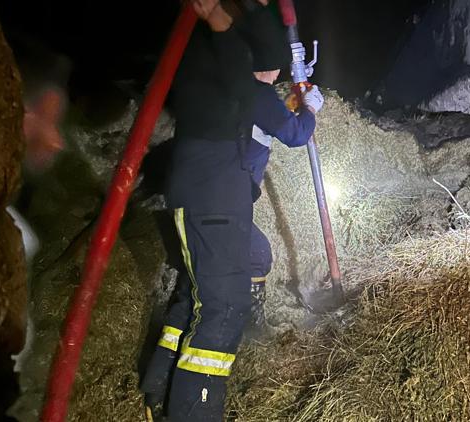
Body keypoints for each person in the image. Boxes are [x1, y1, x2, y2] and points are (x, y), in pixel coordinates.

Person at [139, 1, 286, 420]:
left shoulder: (220, 32)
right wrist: (223, 25)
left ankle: (160, 388)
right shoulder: (202, 37)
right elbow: (245, 88)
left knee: (199, 293)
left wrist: (251, 12)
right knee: (223, 307)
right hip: (211, 184)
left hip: (218, 184)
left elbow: (271, 59)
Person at [243, 22, 324, 330]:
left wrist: (297, 106)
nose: (278, 75)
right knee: (257, 254)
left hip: (218, 187)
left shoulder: (241, 91)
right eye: (275, 68)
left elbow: (273, 120)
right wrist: (311, 111)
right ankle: (251, 328)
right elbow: (296, 134)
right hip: (227, 193)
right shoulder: (258, 95)